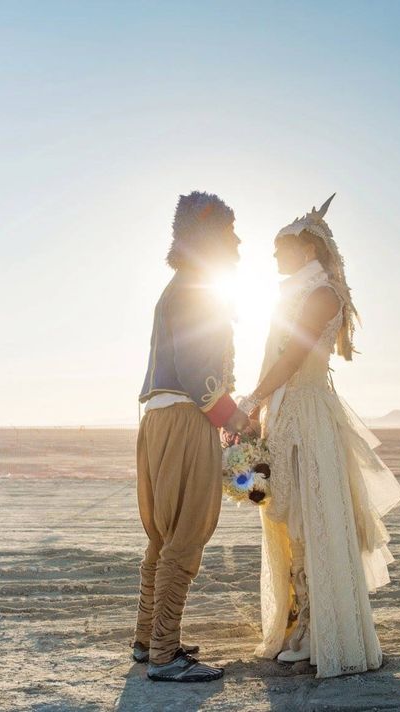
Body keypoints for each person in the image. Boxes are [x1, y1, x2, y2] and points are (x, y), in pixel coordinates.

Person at [239, 194, 400, 679]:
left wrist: (251, 401)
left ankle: (318, 630)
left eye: (280, 249)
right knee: (292, 523)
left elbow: (291, 359)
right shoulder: (298, 292)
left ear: (308, 251)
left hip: (308, 416)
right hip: (289, 413)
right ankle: (301, 625)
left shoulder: (321, 295)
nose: (273, 258)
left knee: (314, 523)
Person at [133, 191, 249, 683]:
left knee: (162, 535)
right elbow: (200, 372)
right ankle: (164, 653)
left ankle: (146, 639)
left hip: (157, 419)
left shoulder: (175, 286)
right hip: (186, 417)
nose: (238, 240)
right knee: (187, 533)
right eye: (229, 232)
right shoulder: (198, 288)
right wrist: (235, 419)